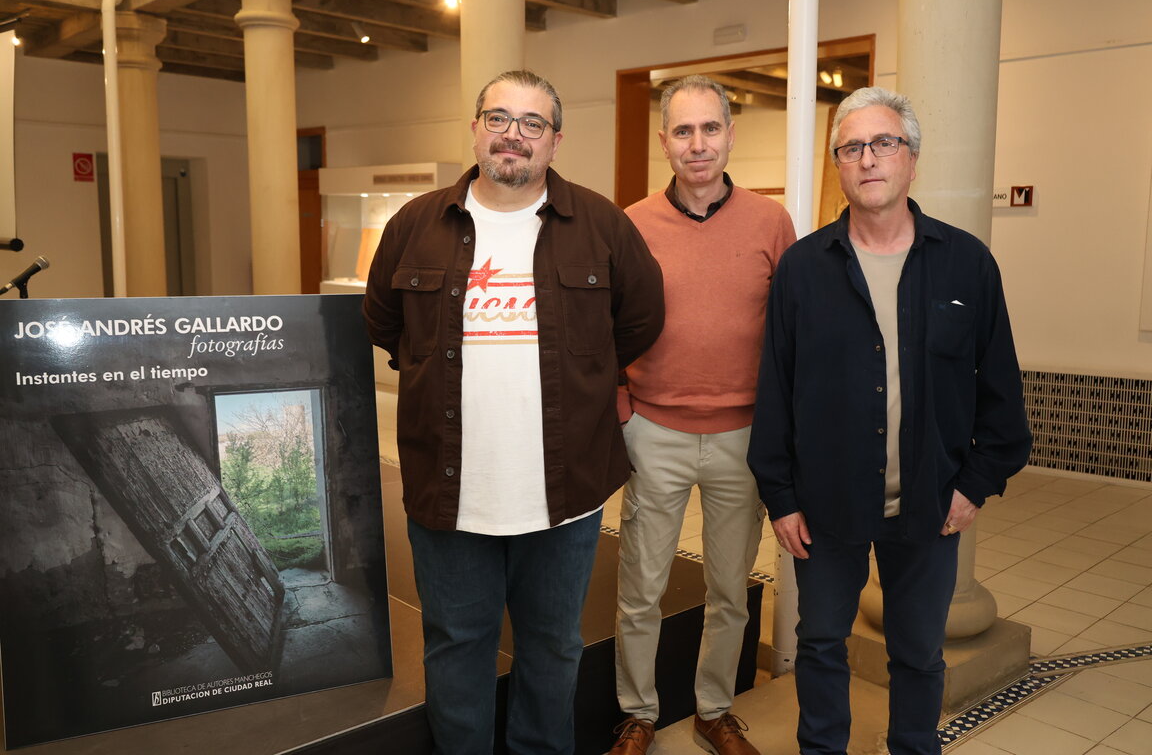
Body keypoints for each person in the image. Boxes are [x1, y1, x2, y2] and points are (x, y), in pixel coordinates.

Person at [362, 69, 665, 755]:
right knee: (456, 646)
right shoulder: (416, 224)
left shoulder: (601, 225)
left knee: (553, 648)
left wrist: (588, 376)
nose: (513, 135)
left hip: (563, 494)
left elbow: (641, 319)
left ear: (555, 140)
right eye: (498, 118)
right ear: (475, 129)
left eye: (533, 123)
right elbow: (383, 321)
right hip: (450, 493)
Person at [747, 86, 1032, 755]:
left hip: (930, 505)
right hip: (824, 507)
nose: (868, 159)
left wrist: (974, 486)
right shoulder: (802, 270)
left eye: (884, 143)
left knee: (919, 653)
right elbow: (775, 393)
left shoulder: (966, 263)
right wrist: (780, 497)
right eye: (851, 148)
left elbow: (1002, 397)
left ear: (911, 158)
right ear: (838, 166)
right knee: (820, 643)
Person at [610, 75, 795, 755]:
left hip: (742, 438)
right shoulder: (631, 224)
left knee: (730, 590)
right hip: (653, 432)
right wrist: (623, 407)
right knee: (641, 588)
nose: (697, 144)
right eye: (683, 131)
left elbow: (791, 330)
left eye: (709, 128)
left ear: (730, 135)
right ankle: (637, 714)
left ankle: (714, 711)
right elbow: (605, 323)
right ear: (664, 141)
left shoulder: (770, 222)